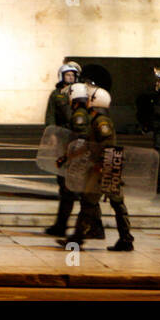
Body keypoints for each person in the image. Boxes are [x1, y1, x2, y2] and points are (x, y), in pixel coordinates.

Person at [62, 87, 133, 252]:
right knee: (114, 204)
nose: (86, 100)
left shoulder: (101, 122)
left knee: (92, 203)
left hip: (104, 168)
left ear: (95, 101)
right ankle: (126, 239)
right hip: (106, 167)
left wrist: (101, 167)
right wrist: (68, 156)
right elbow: (89, 144)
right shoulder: (94, 120)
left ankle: (78, 239)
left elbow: (107, 146)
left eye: (88, 98)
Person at [46, 79, 93, 238]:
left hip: (77, 159)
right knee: (72, 193)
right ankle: (63, 226)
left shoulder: (79, 116)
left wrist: (67, 158)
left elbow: (79, 141)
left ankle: (86, 230)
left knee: (81, 196)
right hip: (78, 158)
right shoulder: (84, 113)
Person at [43, 62, 81, 236]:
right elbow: (50, 114)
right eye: (68, 75)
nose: (71, 78)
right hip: (62, 137)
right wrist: (51, 133)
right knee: (63, 177)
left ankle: (84, 226)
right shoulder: (56, 95)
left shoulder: (81, 92)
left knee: (75, 185)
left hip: (78, 138)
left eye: (73, 75)